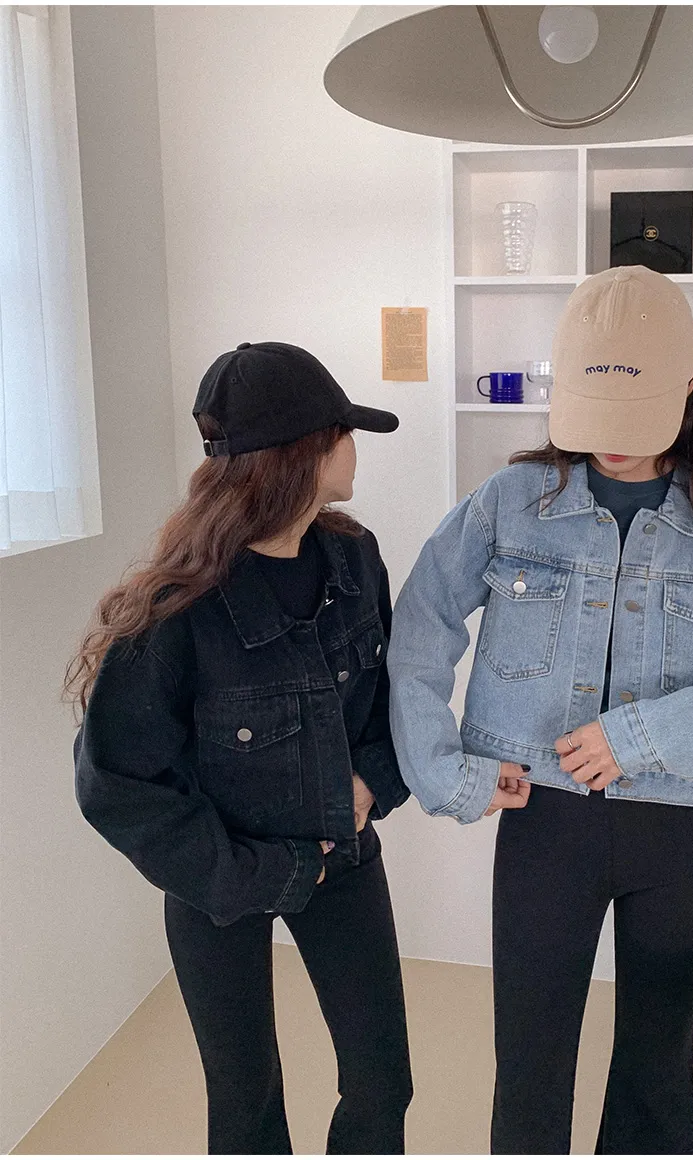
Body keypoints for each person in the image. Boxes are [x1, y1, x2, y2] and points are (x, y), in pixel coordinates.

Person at [387, 267, 693, 1155]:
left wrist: (644, 736)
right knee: (530, 1062)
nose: (609, 446)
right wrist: (445, 773)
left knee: (656, 1071)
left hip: (680, 834)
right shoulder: (510, 505)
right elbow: (419, 630)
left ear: (691, 388)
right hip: (544, 823)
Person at [69, 343, 413, 1155]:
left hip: (341, 859)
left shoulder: (355, 560)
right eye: (345, 432)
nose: (354, 447)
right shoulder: (178, 607)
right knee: (244, 1098)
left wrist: (373, 781)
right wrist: (259, 873)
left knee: (381, 1081)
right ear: (307, 452)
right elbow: (115, 783)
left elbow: (392, 701)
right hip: (217, 882)